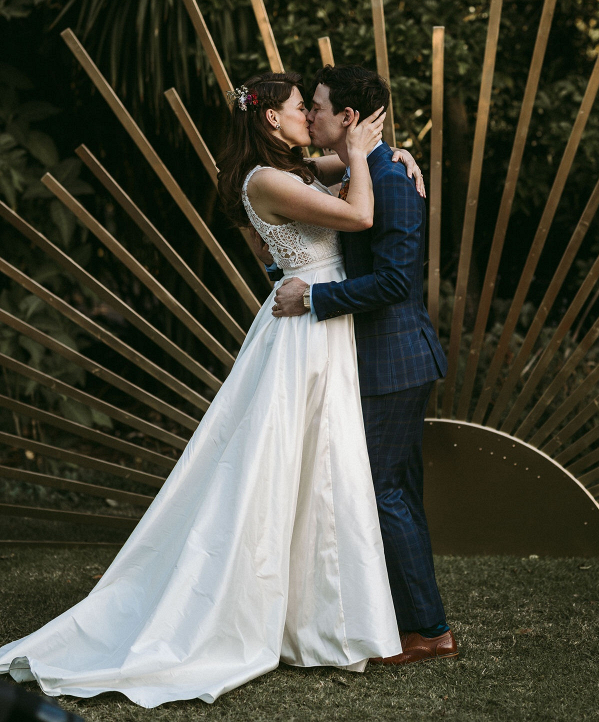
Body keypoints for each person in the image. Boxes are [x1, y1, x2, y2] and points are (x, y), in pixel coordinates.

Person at [0, 71, 405, 708]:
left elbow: (346, 164)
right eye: (302, 108)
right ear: (271, 119)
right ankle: (245, 617)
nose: (309, 116)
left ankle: (318, 622)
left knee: (320, 468)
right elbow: (358, 213)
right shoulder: (266, 181)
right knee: (280, 471)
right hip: (302, 335)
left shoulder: (289, 170)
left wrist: (388, 153)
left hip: (318, 325)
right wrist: (357, 158)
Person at [272, 64, 457, 665]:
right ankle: (417, 621)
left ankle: (428, 631)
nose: (313, 116)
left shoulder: (391, 181)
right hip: (375, 359)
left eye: (319, 107)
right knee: (393, 491)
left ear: (348, 118)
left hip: (394, 361)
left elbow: (396, 281)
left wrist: (315, 298)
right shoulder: (367, 169)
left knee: (382, 492)